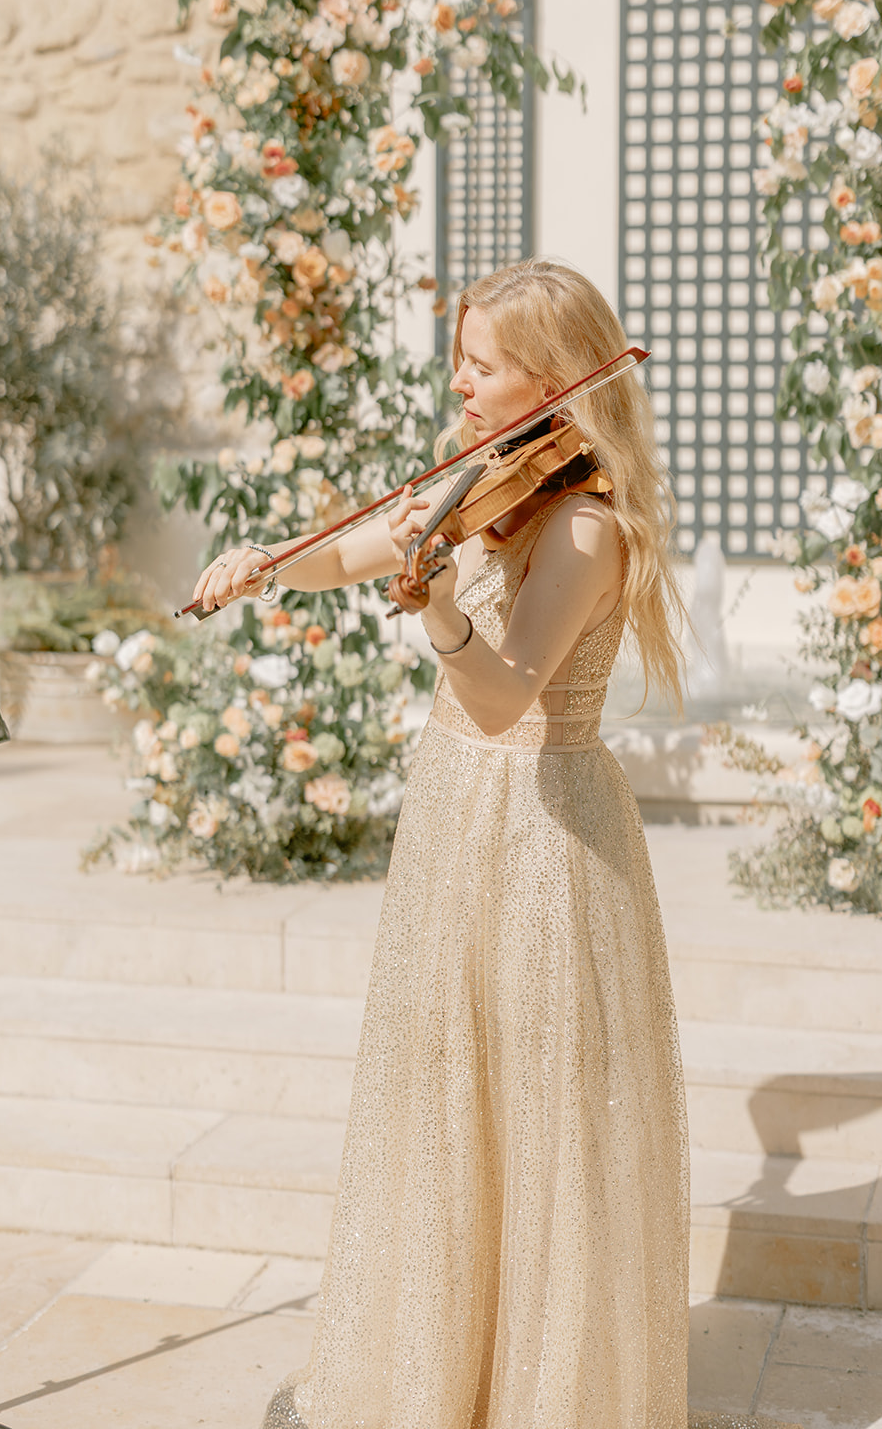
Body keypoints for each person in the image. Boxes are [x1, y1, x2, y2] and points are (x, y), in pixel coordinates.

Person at [195, 258, 693, 1429]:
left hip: (542, 835)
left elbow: (501, 696)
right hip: (454, 820)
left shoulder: (580, 525)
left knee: (539, 1119)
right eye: (459, 357)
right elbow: (359, 543)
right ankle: (439, 1377)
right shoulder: (484, 481)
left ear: (555, 379)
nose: (457, 382)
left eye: (480, 364)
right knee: (445, 1100)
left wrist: (434, 609)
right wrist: (266, 565)